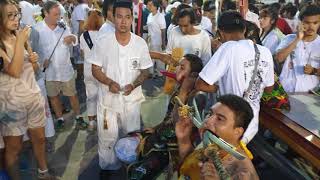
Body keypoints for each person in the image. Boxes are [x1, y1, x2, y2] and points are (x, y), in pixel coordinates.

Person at [89, 0, 153, 177]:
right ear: (112, 17)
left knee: (131, 139)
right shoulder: (103, 42)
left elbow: (145, 71)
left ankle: (130, 170)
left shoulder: (140, 43)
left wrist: (135, 83)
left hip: (131, 102)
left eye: (127, 17)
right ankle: (108, 170)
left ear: (132, 18)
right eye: (119, 17)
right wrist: (109, 82)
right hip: (108, 102)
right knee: (107, 138)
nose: (123, 21)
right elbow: (95, 68)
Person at [195, 11, 274, 144]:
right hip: (250, 127)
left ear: (220, 32)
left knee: (216, 162)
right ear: (244, 29)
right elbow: (269, 89)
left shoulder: (228, 48)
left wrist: (219, 87)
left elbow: (200, 84)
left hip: (226, 125)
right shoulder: (265, 52)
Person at [127, 54, 204, 179]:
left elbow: (175, 126)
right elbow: (168, 118)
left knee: (138, 174)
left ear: (193, 75)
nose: (177, 68)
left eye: (182, 67)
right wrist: (156, 128)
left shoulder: (195, 97)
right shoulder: (180, 87)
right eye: (178, 65)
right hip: (166, 141)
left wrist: (150, 137)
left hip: (176, 150)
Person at [0, 0, 53, 179]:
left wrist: (33, 59)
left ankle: (43, 173)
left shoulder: (19, 35)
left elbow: (35, 69)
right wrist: (20, 41)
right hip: (12, 104)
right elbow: (14, 71)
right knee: (14, 147)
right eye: (10, 15)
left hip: (33, 96)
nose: (16, 19)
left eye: (17, 14)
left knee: (40, 139)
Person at [176, 94, 259, 180]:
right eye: (210, 114)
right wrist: (184, 140)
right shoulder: (213, 142)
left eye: (219, 119)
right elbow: (188, 170)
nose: (208, 121)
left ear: (237, 132)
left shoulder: (243, 174)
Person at [35, 0, 87, 132]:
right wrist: (41, 62)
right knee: (53, 96)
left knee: (72, 95)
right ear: (45, 13)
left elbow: (74, 39)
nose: (58, 17)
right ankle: (59, 119)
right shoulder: (37, 29)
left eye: (59, 14)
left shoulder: (63, 26)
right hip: (50, 72)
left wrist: (73, 40)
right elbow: (34, 50)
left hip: (66, 70)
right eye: (55, 14)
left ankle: (78, 117)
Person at [276, 4, 320, 93]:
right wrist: (297, 39)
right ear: (300, 22)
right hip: (286, 91)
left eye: (315, 23)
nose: (311, 27)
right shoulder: (289, 38)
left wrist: (314, 71)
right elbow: (278, 58)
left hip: (310, 94)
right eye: (307, 23)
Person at [80, 9, 104, 131]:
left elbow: (83, 54)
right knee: (102, 96)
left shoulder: (83, 36)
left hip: (88, 69)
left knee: (90, 97)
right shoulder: (104, 34)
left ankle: (91, 122)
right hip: (101, 70)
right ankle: (101, 120)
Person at [71, 0, 90, 79]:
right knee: (83, 57)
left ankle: (80, 75)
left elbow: (81, 23)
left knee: (79, 58)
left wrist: (79, 38)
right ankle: (83, 74)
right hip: (86, 35)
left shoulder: (79, 8)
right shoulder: (86, 7)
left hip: (79, 36)